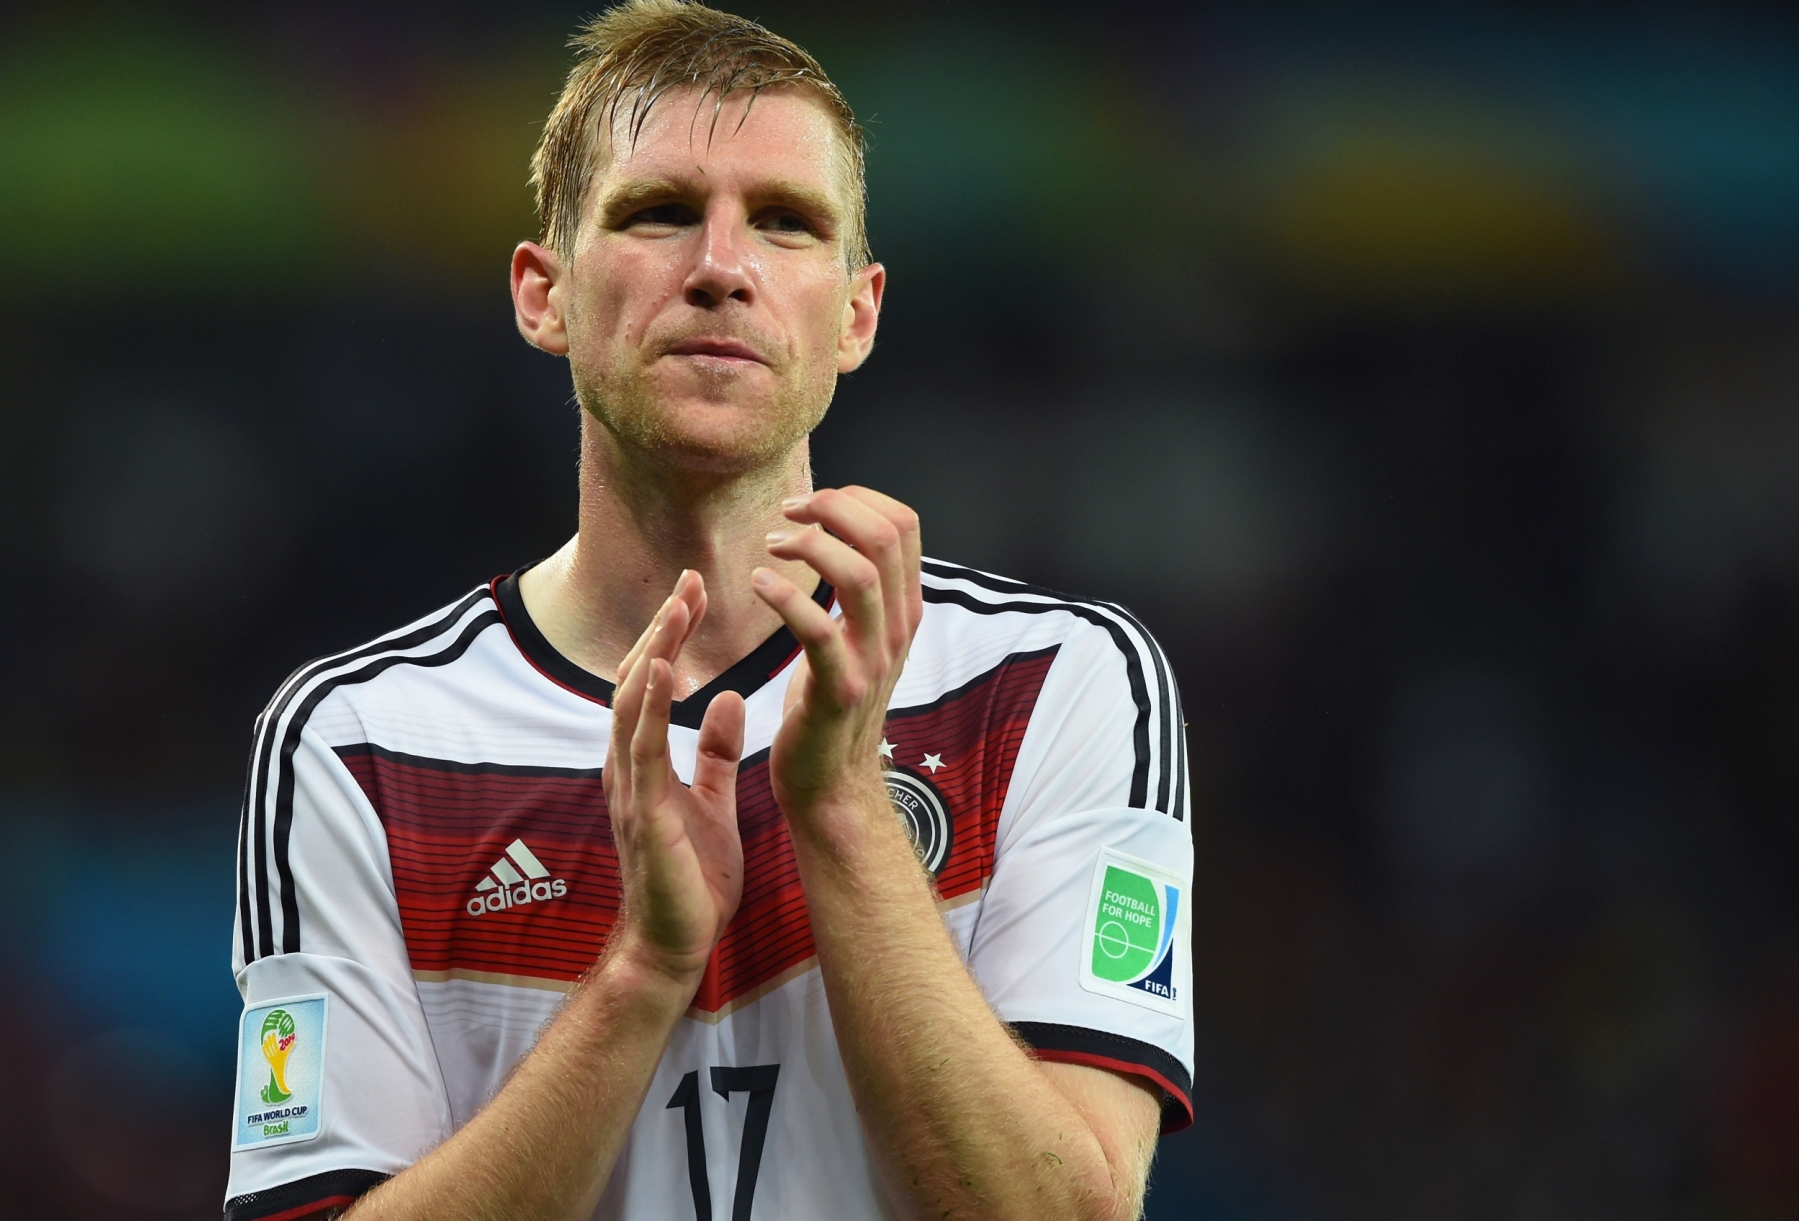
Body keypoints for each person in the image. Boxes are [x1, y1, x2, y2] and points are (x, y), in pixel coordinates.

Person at [222, 3, 1195, 1218]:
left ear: (857, 313)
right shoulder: (359, 744)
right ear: (544, 294)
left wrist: (841, 813)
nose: (721, 266)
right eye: (660, 211)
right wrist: (644, 971)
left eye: (786, 223)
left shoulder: (1055, 682)